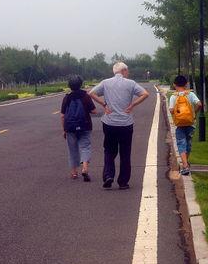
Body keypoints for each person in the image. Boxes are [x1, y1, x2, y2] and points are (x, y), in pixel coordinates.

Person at [88, 62, 149, 190]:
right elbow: (145, 94)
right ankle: (123, 182)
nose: (128, 73)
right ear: (124, 70)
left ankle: (108, 175)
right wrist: (132, 105)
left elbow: (91, 93)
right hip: (126, 123)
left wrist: (104, 104)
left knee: (109, 150)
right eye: (127, 70)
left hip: (109, 122)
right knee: (125, 153)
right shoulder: (131, 83)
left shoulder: (105, 82)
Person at [61, 75, 97, 181]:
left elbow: (62, 115)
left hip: (70, 127)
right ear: (81, 84)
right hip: (85, 125)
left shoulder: (67, 97)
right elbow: (94, 111)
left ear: (69, 85)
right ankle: (85, 168)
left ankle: (74, 173)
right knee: (85, 147)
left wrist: (64, 129)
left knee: (72, 149)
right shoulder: (85, 96)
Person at [169, 75, 202, 176]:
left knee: (181, 144)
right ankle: (185, 164)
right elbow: (199, 104)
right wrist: (193, 114)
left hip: (179, 125)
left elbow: (171, 110)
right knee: (188, 143)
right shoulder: (190, 94)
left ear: (174, 84)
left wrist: (177, 115)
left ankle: (185, 166)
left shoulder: (173, 96)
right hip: (190, 123)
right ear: (186, 84)